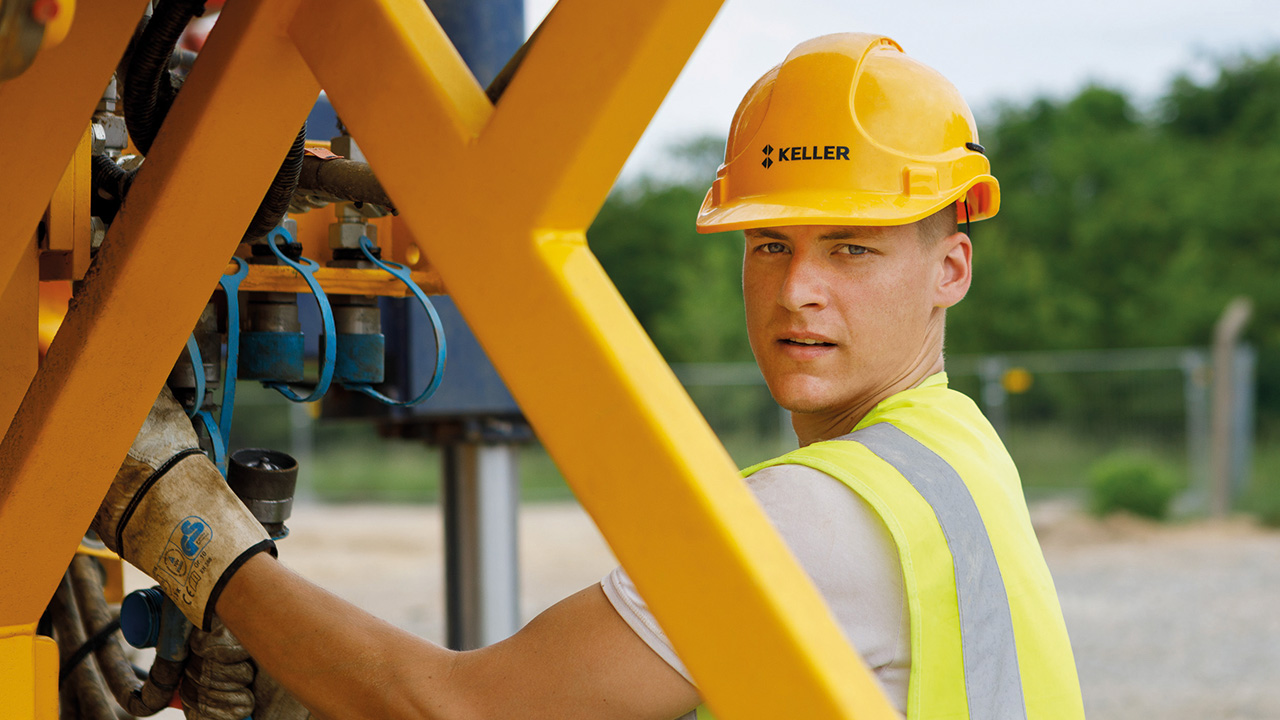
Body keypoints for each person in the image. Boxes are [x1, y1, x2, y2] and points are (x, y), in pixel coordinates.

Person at [91, 32, 1085, 720]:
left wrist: (185, 526)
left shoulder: (810, 519)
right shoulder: (952, 454)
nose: (799, 293)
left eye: (851, 250)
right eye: (771, 244)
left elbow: (453, 710)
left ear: (949, 267)